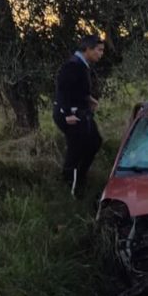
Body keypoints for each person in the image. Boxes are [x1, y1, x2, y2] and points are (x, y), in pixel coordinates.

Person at [53, 35, 105, 197]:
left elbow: (75, 89)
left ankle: (80, 179)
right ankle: (72, 191)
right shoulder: (73, 66)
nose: (101, 54)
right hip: (71, 115)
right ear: (87, 49)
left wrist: (88, 99)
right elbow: (63, 90)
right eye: (99, 50)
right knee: (75, 151)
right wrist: (67, 113)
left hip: (81, 112)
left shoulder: (82, 65)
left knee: (94, 142)